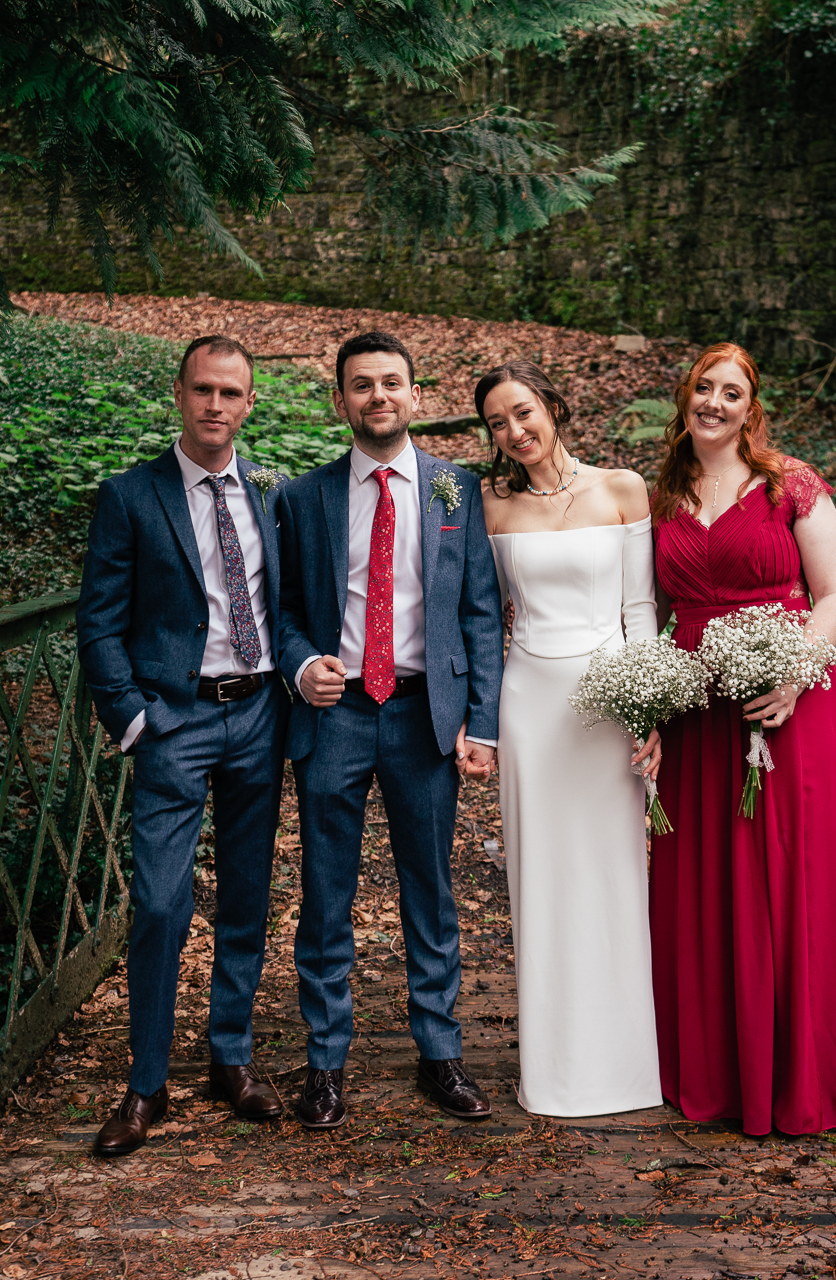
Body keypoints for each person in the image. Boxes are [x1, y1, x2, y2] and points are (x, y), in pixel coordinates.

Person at [647, 341, 836, 1135]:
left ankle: (799, 1075)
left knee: (789, 874)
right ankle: (714, 1061)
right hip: (696, 712)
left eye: (732, 393)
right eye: (704, 388)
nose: (714, 403)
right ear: (685, 397)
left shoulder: (790, 484)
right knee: (709, 880)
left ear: (753, 408)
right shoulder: (663, 493)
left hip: (786, 703)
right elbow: (646, 609)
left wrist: (794, 672)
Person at [274, 330, 505, 1129]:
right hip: (335, 717)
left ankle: (440, 1052)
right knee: (325, 893)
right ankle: (325, 1062)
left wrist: (485, 723)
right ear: (341, 401)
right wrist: (304, 666)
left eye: (392, 383)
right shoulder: (303, 498)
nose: (378, 396)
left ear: (415, 397)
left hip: (423, 716)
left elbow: (478, 612)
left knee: (430, 892)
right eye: (361, 385)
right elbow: (284, 613)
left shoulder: (455, 491)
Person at [76, 335, 290, 1156]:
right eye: (202, 390)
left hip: (259, 717)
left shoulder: (271, 497)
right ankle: (146, 1082)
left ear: (249, 403)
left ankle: (229, 1056)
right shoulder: (132, 496)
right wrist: (134, 718)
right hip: (175, 721)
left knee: (245, 893)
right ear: (179, 394)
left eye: (230, 393)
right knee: (162, 901)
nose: (215, 406)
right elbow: (99, 621)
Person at [476, 360, 665, 1117]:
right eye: (496, 422)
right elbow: (483, 616)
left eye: (523, 413)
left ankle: (625, 1067)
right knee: (541, 879)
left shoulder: (621, 488)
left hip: (609, 702)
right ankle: (551, 1070)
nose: (514, 432)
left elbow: (642, 609)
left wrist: (647, 708)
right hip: (530, 703)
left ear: (552, 407)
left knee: (615, 874)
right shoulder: (490, 502)